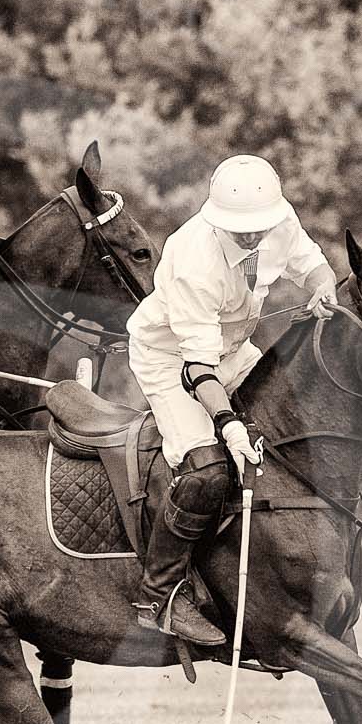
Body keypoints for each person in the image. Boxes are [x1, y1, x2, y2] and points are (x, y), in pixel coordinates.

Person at [124, 154, 339, 647]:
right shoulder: (193, 257)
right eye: (240, 229)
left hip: (233, 349)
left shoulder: (278, 221)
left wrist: (323, 288)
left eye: (257, 228)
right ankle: (158, 596)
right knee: (206, 468)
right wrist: (228, 421)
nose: (251, 236)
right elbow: (196, 366)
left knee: (287, 431)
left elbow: (312, 265)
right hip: (170, 357)